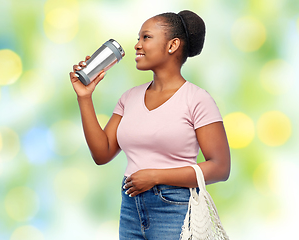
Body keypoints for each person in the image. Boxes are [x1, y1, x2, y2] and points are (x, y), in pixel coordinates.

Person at [69, 10, 230, 240]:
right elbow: (102, 153)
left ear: (172, 45)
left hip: (175, 207)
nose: (137, 45)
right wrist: (84, 97)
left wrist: (156, 176)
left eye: (146, 37)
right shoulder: (129, 98)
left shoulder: (197, 99)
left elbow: (220, 168)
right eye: (138, 38)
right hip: (131, 207)